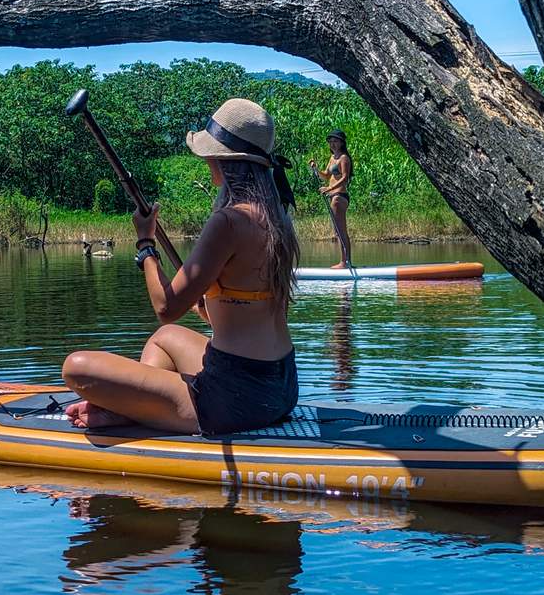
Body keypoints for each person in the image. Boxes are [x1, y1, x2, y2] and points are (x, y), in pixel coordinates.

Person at [62, 98, 300, 435]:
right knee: (165, 339)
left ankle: (133, 410)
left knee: (76, 367)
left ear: (221, 159)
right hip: (282, 387)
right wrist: (210, 307)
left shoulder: (229, 221)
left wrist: (146, 245)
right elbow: (248, 305)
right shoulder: (279, 218)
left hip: (235, 399)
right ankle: (138, 407)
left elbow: (165, 306)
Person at [309, 130, 352, 268]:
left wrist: (329, 189)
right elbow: (327, 176)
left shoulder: (344, 158)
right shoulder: (333, 158)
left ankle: (345, 262)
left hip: (339, 197)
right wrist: (316, 169)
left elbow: (345, 178)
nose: (333, 144)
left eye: (335, 141)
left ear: (341, 143)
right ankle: (345, 261)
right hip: (333, 196)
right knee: (338, 231)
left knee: (340, 231)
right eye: (331, 142)